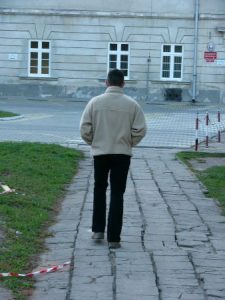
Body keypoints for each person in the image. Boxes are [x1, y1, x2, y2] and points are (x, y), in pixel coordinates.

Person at [80, 69, 146, 249]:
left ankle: (98, 230)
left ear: (106, 83)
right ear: (123, 84)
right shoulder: (132, 105)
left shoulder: (94, 102)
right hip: (122, 154)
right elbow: (140, 130)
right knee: (118, 193)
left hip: (101, 153)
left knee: (99, 189)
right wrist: (128, 142)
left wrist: (94, 142)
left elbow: (85, 128)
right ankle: (114, 238)